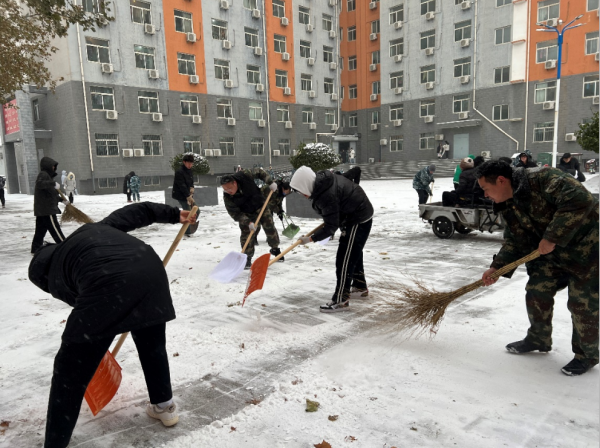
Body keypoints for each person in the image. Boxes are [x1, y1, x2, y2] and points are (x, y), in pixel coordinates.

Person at [28, 202, 197, 447]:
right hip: (150, 271)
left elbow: (86, 306)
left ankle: (54, 443)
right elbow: (136, 213)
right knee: (152, 346)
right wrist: (173, 214)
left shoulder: (54, 272)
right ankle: (164, 406)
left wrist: (97, 333)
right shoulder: (91, 231)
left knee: (69, 371)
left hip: (110, 281)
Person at [477, 161, 599, 376]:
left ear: (501, 180)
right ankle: (539, 339)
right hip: (552, 254)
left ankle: (586, 355)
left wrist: (552, 237)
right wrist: (497, 267)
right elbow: (516, 239)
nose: (485, 195)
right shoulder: (508, 204)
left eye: (486, 189)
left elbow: (581, 199)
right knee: (537, 290)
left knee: (582, 304)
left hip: (589, 250)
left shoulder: (544, 179)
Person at [290, 166, 374, 313]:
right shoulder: (324, 180)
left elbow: (330, 228)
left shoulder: (326, 195)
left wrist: (310, 239)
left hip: (358, 218)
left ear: (306, 184)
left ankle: (341, 299)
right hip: (354, 214)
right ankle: (360, 287)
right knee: (353, 252)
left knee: (344, 259)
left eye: (300, 190)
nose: (302, 195)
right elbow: (354, 172)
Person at [221, 168, 282, 269]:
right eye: (225, 189)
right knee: (246, 235)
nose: (228, 191)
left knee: (270, 227)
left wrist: (270, 182)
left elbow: (259, 171)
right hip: (246, 213)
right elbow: (235, 213)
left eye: (229, 188)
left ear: (235, 183)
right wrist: (248, 222)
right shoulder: (227, 197)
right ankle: (247, 257)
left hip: (260, 205)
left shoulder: (244, 175)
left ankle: (275, 248)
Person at [31, 157, 67, 254]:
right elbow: (40, 184)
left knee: (40, 231)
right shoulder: (43, 174)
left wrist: (61, 200)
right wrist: (52, 183)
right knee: (55, 229)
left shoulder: (47, 176)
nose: (54, 168)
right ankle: (64, 246)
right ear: (48, 166)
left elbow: (49, 194)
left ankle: (35, 248)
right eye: (53, 166)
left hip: (43, 209)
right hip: (47, 209)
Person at [172, 154, 195, 236]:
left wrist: (192, 187)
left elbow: (191, 181)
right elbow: (182, 185)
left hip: (188, 194)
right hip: (181, 195)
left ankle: (189, 225)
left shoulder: (189, 170)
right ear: (184, 162)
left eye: (191, 164)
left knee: (196, 211)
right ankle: (187, 231)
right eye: (188, 163)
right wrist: (188, 196)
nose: (190, 165)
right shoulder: (179, 172)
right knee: (189, 212)